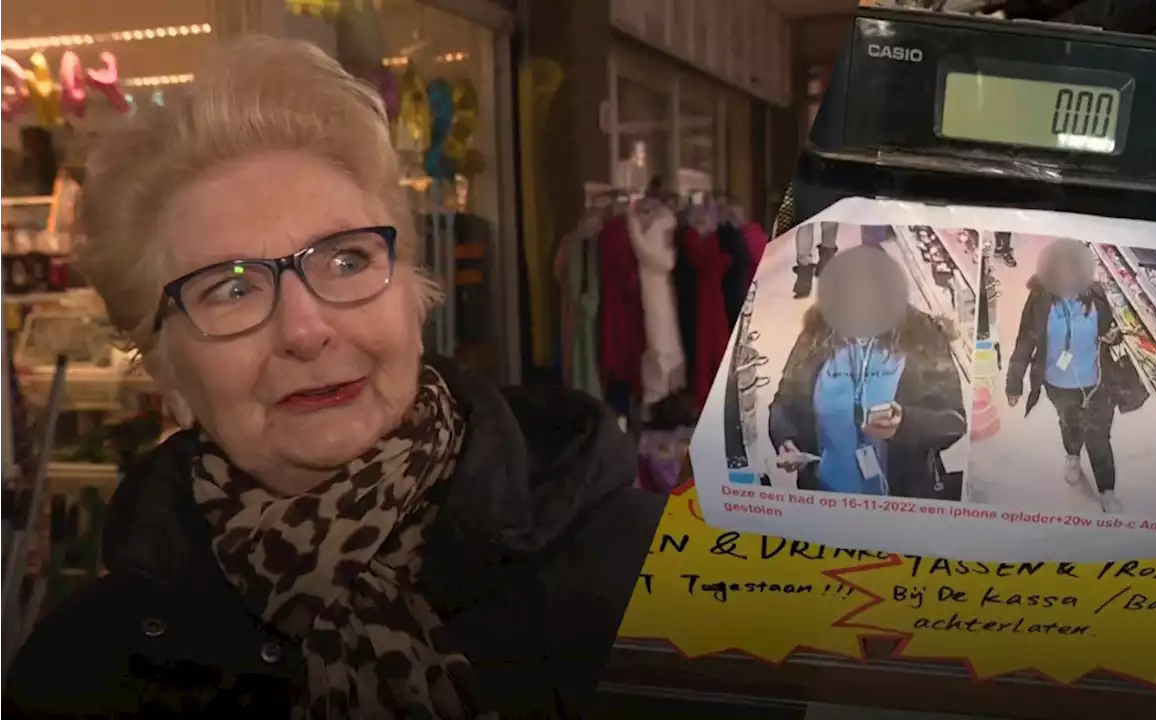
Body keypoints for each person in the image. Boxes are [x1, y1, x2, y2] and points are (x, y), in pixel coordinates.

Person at [3, 37, 663, 718]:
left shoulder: (660, 582)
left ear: (415, 297)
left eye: (345, 260)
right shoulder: (79, 676)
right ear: (166, 373)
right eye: (230, 290)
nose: (305, 329)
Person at [770, 246, 967, 497]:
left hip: (901, 502)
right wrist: (786, 438)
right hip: (825, 496)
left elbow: (953, 422)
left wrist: (905, 423)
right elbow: (784, 401)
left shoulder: (923, 336)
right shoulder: (817, 334)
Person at [1005, 238, 1125, 514]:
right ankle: (1072, 455)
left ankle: (1107, 491)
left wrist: (1112, 336)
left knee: (1099, 437)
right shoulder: (1039, 299)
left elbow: (1111, 332)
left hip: (1096, 383)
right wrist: (1014, 381)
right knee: (1069, 423)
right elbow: (1025, 340)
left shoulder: (1096, 295)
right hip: (1057, 383)